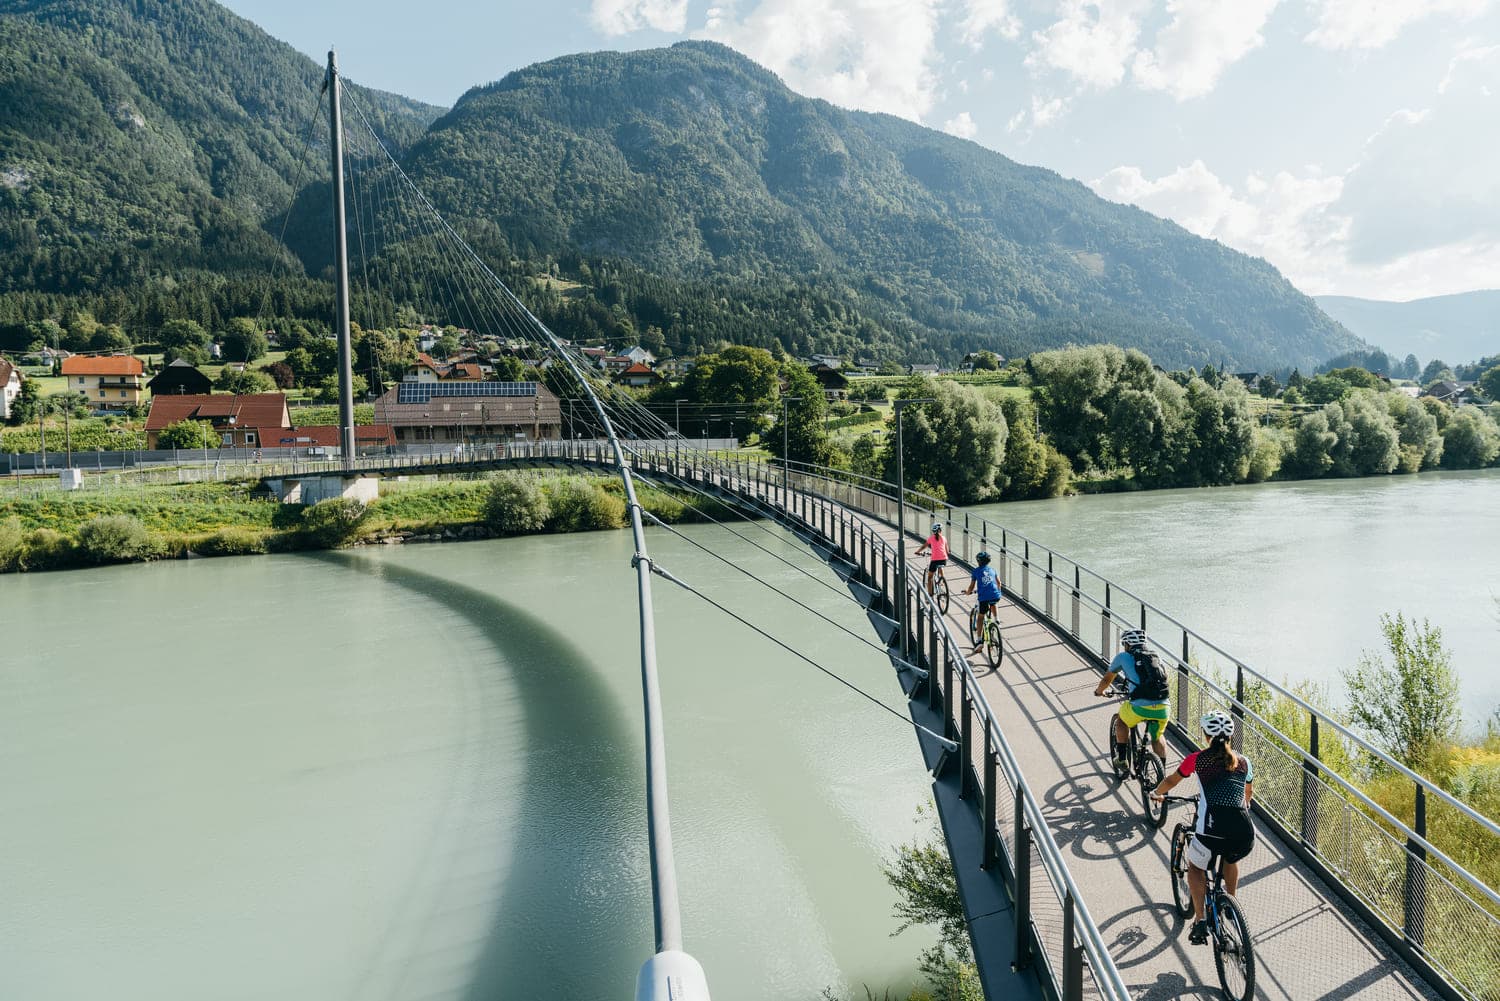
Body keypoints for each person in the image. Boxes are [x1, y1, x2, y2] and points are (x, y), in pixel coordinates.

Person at [1151, 710, 1255, 944]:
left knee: (1196, 868)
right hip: (1244, 832)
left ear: (1206, 736)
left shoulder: (1197, 760)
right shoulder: (1245, 762)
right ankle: (1231, 903)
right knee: (1231, 857)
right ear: (1230, 737)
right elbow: (1248, 795)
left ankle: (1200, 920)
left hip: (1211, 829)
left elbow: (1171, 781)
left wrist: (1157, 793)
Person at [1093, 628, 1171, 767]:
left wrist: (1099, 692)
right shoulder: (1156, 656)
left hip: (1139, 707)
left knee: (1121, 721)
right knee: (1157, 737)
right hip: (1163, 706)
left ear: (1128, 644)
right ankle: (1161, 772)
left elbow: (1107, 680)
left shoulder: (1123, 657)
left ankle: (1122, 759)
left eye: (1124, 644)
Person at [963, 550, 1002, 649]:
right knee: (993, 602)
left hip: (983, 598)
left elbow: (971, 587)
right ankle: (997, 620)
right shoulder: (992, 570)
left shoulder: (976, 571)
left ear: (978, 561)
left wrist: (967, 592)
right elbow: (999, 583)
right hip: (996, 595)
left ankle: (979, 640)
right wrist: (999, 593)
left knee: (980, 616)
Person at [914, 522, 947, 595]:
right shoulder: (944, 538)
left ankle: (930, 595)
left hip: (935, 560)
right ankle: (942, 580)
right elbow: (947, 551)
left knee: (929, 578)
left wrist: (917, 551)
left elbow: (924, 546)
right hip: (944, 559)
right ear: (940, 530)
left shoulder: (931, 538)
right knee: (940, 565)